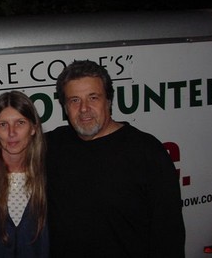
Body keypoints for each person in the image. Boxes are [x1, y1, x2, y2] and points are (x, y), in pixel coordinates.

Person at [46, 60, 185, 257]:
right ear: (65, 107)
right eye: (74, 100)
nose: (84, 108)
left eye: (93, 97)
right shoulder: (52, 145)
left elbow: (169, 234)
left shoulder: (146, 151)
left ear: (109, 101)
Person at [0, 90, 49, 257]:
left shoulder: (50, 171)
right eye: (3, 124)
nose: (11, 133)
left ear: (33, 128)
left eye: (20, 123)